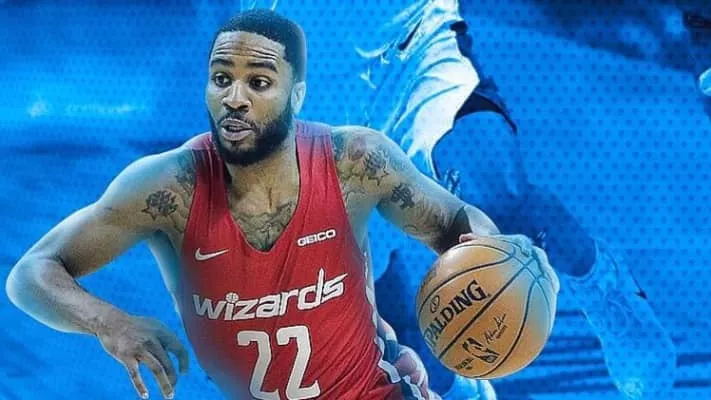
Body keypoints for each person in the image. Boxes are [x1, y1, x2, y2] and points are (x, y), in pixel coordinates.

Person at [5, 9, 557, 400]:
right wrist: (110, 323)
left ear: (294, 97)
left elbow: (458, 226)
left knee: (484, 180)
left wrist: (493, 255)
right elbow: (31, 273)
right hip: (328, 50)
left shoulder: (355, 162)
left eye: (256, 84)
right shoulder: (167, 188)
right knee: (389, 310)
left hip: (410, 39)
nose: (235, 99)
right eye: (222, 81)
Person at [352, 0, 676, 399]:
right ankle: (461, 392)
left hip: (411, 47)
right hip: (310, 97)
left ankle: (603, 287)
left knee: (496, 202)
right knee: (380, 319)